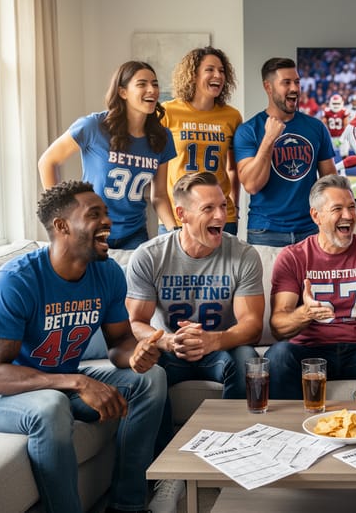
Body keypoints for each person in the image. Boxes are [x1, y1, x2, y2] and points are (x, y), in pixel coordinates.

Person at [0, 181, 167, 513]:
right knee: (50, 407)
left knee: (151, 380)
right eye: (94, 214)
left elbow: (119, 344)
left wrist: (137, 356)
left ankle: (127, 505)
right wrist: (78, 382)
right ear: (61, 226)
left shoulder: (108, 273)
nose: (108, 221)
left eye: (106, 212)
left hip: (59, 380)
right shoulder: (15, 282)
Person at [125, 172, 264, 513]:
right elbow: (136, 323)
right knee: (147, 375)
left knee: (249, 360)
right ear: (182, 214)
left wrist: (214, 340)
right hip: (171, 348)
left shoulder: (243, 254)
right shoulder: (149, 255)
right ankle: (168, 475)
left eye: (223, 206)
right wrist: (168, 341)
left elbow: (252, 326)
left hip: (220, 347)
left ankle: (228, 460)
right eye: (208, 209)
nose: (221, 216)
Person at [265, 174, 356, 398]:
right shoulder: (293, 257)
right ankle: (292, 430)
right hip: (310, 352)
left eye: (352, 207)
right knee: (278, 355)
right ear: (316, 215)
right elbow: (278, 328)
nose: (348, 215)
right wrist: (305, 313)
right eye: (337, 209)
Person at [38, 61, 177, 250]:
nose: (151, 89)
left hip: (134, 234)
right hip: (91, 230)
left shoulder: (163, 137)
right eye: (142, 84)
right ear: (123, 92)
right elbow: (47, 161)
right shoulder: (93, 126)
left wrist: (174, 231)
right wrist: (60, 212)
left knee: (132, 279)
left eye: (155, 84)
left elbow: (159, 195)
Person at [233, 57, 337, 247]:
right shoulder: (248, 130)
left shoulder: (316, 127)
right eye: (286, 83)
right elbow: (251, 185)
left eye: (297, 82)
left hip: (310, 229)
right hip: (265, 232)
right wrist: (269, 139)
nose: (295, 89)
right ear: (268, 87)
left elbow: (330, 182)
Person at [158, 46, 243, 235]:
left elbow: (232, 168)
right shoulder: (168, 112)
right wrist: (169, 222)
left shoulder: (232, 116)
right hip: (180, 215)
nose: (218, 76)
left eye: (222, 71)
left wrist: (234, 209)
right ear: (193, 75)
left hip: (220, 215)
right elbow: (157, 167)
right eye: (210, 70)